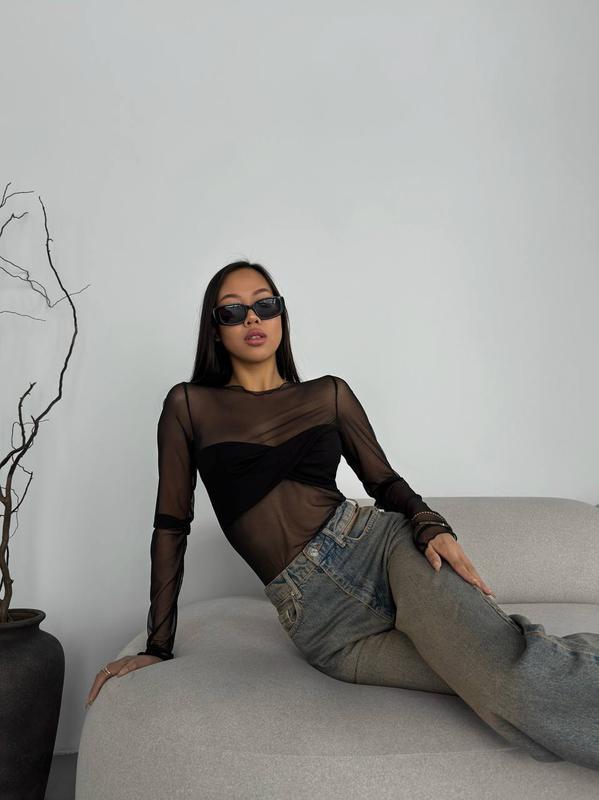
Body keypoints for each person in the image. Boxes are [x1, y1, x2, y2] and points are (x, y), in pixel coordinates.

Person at [85, 260, 599, 771]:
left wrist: (430, 524)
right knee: (484, 679)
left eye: (265, 305)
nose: (252, 318)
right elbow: (171, 526)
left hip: (383, 553)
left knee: (505, 681)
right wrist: (158, 646)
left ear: (281, 316)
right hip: (325, 627)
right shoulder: (189, 406)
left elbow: (384, 481)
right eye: (233, 311)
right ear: (215, 330)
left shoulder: (327, 394)